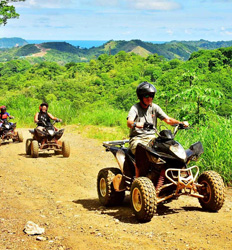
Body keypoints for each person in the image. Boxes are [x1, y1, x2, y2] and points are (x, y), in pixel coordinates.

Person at [127, 82, 189, 154]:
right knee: (142, 152)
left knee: (167, 149)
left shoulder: (154, 107)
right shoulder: (135, 108)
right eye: (147, 96)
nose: (150, 98)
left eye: (151, 95)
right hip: (137, 139)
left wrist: (180, 123)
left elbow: (168, 120)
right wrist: (136, 124)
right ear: (140, 96)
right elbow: (129, 123)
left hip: (152, 138)